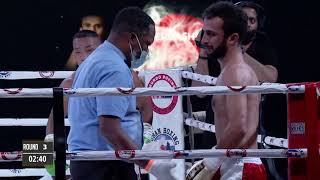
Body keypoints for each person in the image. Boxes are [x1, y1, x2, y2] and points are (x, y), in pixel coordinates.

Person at [67, 7, 176, 180]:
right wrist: (150, 165)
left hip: (94, 162)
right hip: (105, 165)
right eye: (146, 43)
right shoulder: (114, 68)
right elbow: (109, 129)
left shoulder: (97, 60)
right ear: (132, 37)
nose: (146, 50)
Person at [188, 2, 266, 179]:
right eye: (204, 32)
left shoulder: (236, 73)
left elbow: (239, 127)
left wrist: (212, 160)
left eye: (211, 34)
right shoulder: (229, 71)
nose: (204, 40)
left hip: (241, 165)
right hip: (232, 162)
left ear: (232, 38)